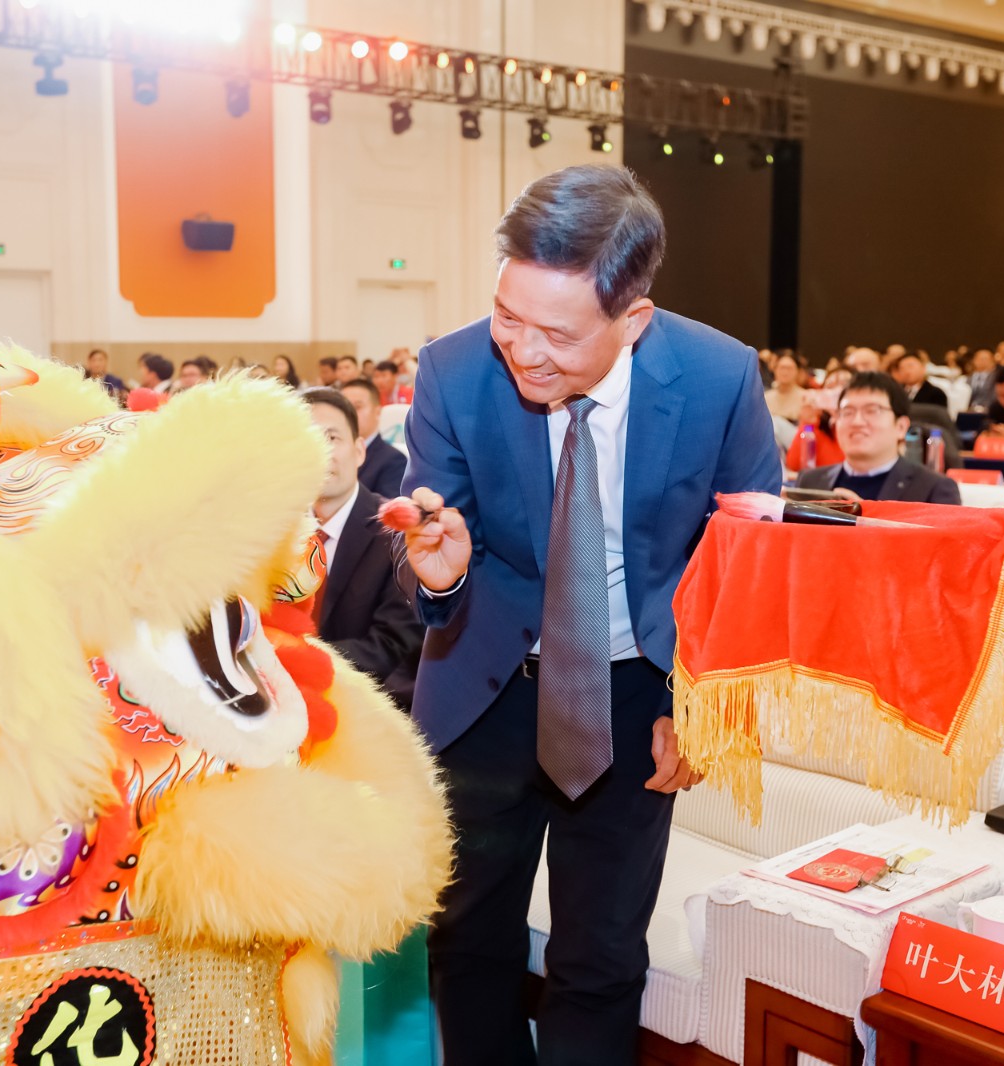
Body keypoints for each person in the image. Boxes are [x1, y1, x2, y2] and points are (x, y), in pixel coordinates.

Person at [397, 165, 780, 1065]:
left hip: (635, 699)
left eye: (558, 335)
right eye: (508, 317)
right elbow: (433, 543)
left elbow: (745, 562)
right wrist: (441, 574)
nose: (524, 352)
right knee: (466, 939)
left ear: (633, 319)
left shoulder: (719, 377)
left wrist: (700, 708)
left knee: (600, 957)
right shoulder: (454, 369)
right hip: (486, 692)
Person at [301, 388, 423, 708]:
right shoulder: (280, 533)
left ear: (358, 451)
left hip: (367, 704)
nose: (319, 452)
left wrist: (297, 660)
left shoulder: (397, 533)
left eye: (331, 438)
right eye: (306, 440)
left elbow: (393, 645)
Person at [794, 372, 962, 504]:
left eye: (872, 411)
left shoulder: (933, 488)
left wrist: (866, 516)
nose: (857, 422)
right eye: (848, 412)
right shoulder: (810, 481)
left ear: (901, 427)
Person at [338, 377, 406, 499]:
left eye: (357, 407)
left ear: (377, 412)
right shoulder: (332, 454)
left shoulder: (393, 460)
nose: (349, 413)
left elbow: (388, 508)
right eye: (343, 407)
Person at [764, 350, 808, 422]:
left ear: (798, 371)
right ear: (774, 370)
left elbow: (809, 426)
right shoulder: (765, 397)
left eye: (789, 368)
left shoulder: (806, 397)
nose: (785, 372)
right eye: (782, 368)